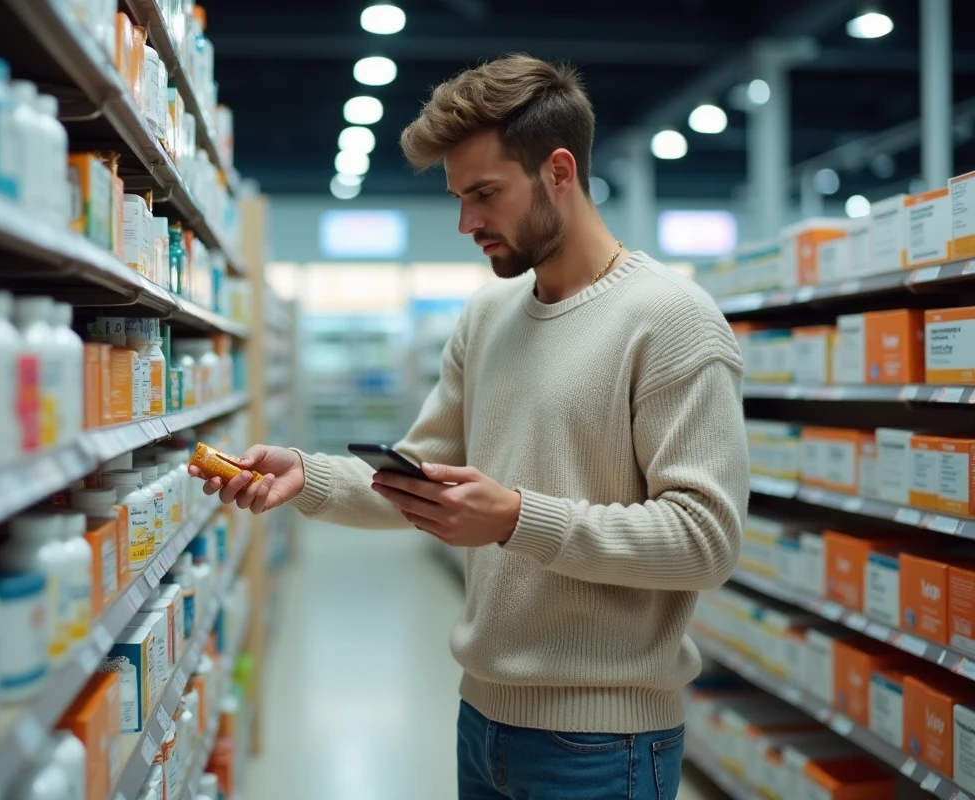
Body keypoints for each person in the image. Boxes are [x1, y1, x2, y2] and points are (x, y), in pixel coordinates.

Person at [192, 54, 748, 800]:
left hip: (605, 742)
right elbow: (417, 475)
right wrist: (307, 475)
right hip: (482, 719)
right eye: (458, 197)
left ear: (559, 171)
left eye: (484, 193)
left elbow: (705, 540)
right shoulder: (488, 317)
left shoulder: (673, 322)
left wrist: (518, 518)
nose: (466, 223)